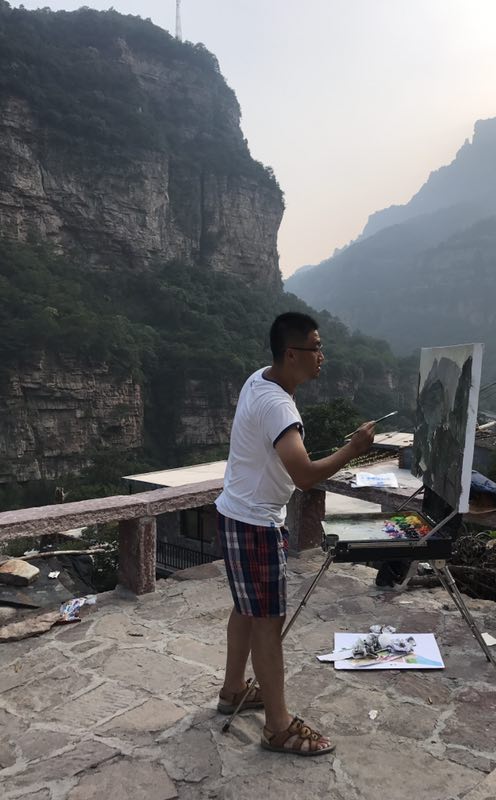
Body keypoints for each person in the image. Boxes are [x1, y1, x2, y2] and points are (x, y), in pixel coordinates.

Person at [215, 312, 375, 756]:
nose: (322, 356)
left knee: (247, 609)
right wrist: (354, 449)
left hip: (234, 512)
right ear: (291, 354)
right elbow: (304, 475)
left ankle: (232, 690)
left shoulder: (259, 380)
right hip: (255, 523)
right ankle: (278, 726)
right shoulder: (278, 406)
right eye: (315, 348)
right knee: (268, 622)